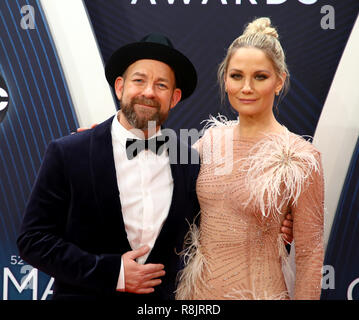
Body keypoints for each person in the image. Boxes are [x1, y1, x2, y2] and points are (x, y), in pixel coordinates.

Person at [17, 33, 293, 301]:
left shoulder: (191, 163)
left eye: (161, 85)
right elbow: (33, 240)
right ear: (120, 87)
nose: (148, 92)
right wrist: (112, 272)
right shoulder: (69, 152)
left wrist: (275, 228)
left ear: (173, 98)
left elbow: (218, 228)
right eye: (139, 80)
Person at [175, 18, 324, 300]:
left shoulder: (301, 158)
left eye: (260, 77)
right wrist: (111, 140)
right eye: (236, 76)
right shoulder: (208, 142)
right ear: (225, 80)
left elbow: (309, 255)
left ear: (279, 81)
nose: (246, 87)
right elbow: (160, 181)